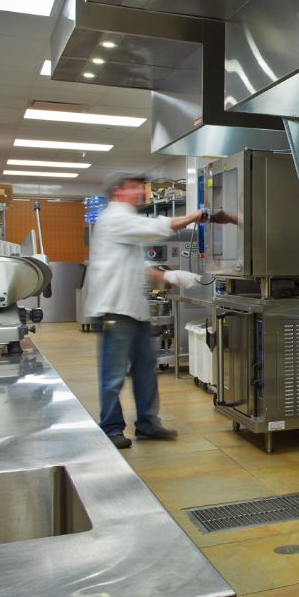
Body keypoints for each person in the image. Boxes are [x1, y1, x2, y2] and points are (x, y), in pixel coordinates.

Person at [85, 172, 204, 449]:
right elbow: (156, 229)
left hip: (134, 311)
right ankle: (112, 428)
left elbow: (137, 266)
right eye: (135, 188)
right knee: (114, 374)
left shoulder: (125, 221)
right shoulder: (114, 217)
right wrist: (192, 216)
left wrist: (170, 277)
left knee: (145, 370)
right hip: (114, 309)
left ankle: (148, 424)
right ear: (118, 191)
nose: (141, 193)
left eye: (142, 188)